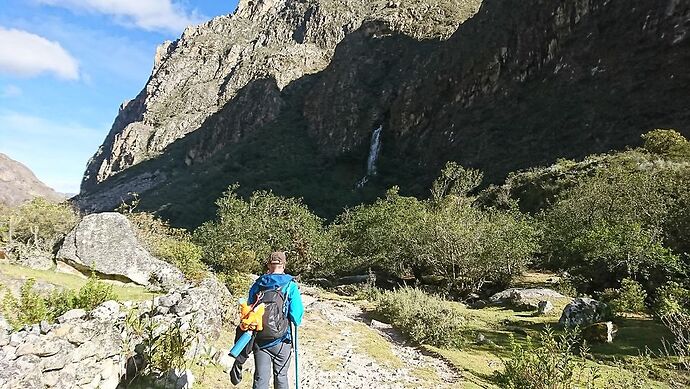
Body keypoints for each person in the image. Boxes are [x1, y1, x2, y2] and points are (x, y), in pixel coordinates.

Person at [247, 251, 303, 389]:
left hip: (260, 338)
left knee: (261, 378)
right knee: (281, 376)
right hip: (282, 340)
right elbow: (296, 317)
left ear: (268, 265)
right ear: (283, 265)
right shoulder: (290, 286)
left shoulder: (258, 284)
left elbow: (249, 308)